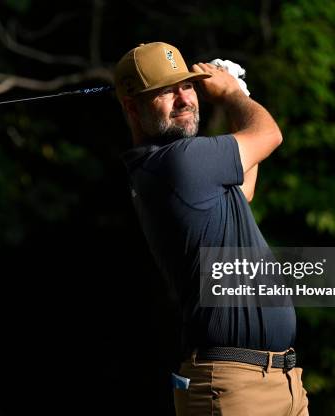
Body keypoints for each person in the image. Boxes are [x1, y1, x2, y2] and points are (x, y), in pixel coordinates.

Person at [115, 42, 309, 416]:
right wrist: (233, 94)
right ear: (132, 107)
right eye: (164, 91)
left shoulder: (171, 169)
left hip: (280, 382)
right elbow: (268, 135)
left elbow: (244, 189)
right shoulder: (179, 162)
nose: (183, 98)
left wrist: (239, 100)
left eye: (187, 85)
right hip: (234, 388)